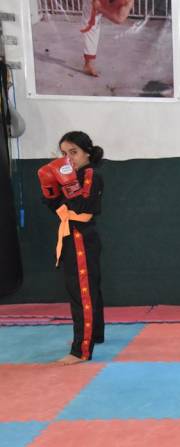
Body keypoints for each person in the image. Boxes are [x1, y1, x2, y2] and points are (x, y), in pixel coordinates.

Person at [37, 131, 105, 365]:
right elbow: (60, 208)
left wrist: (68, 181)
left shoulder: (90, 174)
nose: (68, 158)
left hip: (80, 237)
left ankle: (81, 350)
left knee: (82, 293)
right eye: (64, 153)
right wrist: (50, 190)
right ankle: (94, 335)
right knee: (88, 289)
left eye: (74, 152)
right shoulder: (73, 174)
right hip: (72, 235)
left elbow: (83, 207)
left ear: (87, 152)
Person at [79, 0, 134, 77]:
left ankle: (88, 64)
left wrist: (99, 8)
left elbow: (119, 19)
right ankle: (88, 64)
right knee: (90, 23)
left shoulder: (128, 1)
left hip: (105, 5)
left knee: (91, 22)